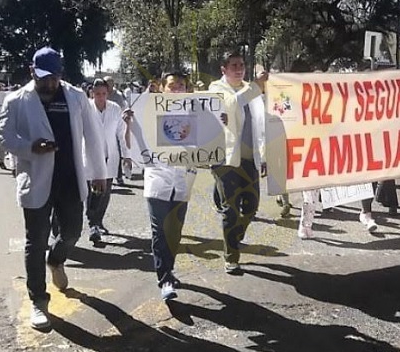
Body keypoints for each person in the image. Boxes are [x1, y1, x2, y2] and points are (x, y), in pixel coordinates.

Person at [0, 47, 106, 330]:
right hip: (36, 180)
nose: (50, 84)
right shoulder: (16, 100)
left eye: (55, 77)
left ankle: (56, 260)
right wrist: (30, 148)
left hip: (70, 178)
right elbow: (3, 139)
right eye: (44, 77)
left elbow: (92, 136)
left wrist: (99, 174)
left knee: (72, 232)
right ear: (32, 71)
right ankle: (38, 301)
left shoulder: (76, 97)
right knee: (36, 241)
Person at [123, 70, 197, 301]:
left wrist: (220, 125)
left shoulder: (197, 113)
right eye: (172, 86)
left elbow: (209, 144)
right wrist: (129, 124)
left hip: (183, 179)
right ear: (162, 88)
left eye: (181, 86)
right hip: (157, 178)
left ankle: (169, 270)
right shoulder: (147, 114)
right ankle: (164, 279)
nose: (177, 90)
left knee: (174, 232)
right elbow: (131, 144)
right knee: (160, 231)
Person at [209, 51, 267, 274]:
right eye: (233, 65)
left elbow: (260, 127)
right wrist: (256, 86)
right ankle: (231, 257)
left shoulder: (253, 92)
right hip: (225, 160)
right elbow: (232, 104)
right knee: (230, 210)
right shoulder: (216, 89)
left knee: (251, 207)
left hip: (250, 159)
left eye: (242, 64)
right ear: (224, 69)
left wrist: (263, 157)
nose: (239, 68)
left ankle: (234, 235)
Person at [86, 78, 125, 243]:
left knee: (105, 193)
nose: (100, 97)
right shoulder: (86, 108)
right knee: (93, 192)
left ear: (108, 93)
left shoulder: (115, 108)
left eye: (103, 94)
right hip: (90, 155)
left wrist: (127, 155)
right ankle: (92, 223)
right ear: (92, 93)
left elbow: (121, 133)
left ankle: (98, 220)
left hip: (110, 156)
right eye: (97, 94)